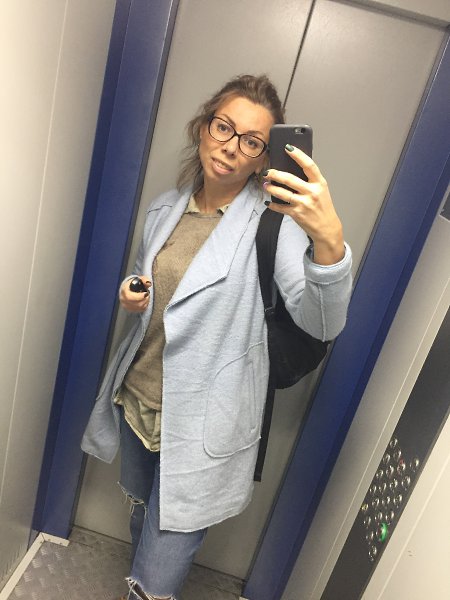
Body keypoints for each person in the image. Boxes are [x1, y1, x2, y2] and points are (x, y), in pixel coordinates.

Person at [81, 74, 352, 600]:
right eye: (223, 127)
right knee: (141, 515)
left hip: (205, 422)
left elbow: (322, 323)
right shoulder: (165, 210)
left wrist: (330, 241)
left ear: (263, 158)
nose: (230, 147)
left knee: (162, 561)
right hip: (139, 400)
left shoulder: (273, 226)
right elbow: (148, 283)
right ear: (203, 127)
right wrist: (134, 295)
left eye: (251, 141)